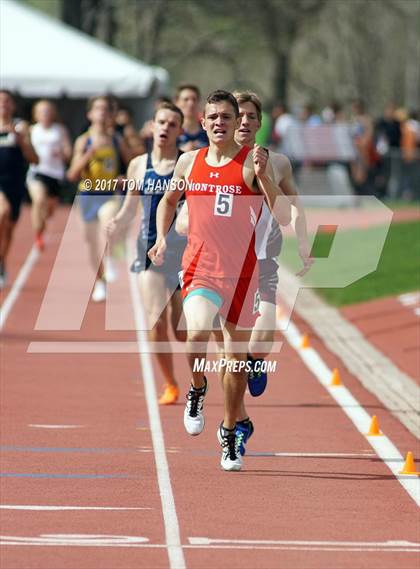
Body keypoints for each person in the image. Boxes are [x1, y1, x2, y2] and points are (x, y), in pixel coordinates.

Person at [149, 89, 291, 471]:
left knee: (235, 360)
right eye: (213, 118)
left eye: (226, 118)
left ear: (236, 122)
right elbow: (168, 201)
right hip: (200, 267)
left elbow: (285, 216)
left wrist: (264, 178)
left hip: (242, 275)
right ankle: (197, 387)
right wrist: (162, 238)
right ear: (203, 122)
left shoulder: (252, 164)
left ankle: (230, 430)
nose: (219, 124)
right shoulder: (188, 162)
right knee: (195, 331)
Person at [176, 90, 311, 455]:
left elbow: (289, 210)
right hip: (208, 267)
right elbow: (180, 205)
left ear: (255, 122)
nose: (243, 122)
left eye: (250, 117)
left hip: (258, 266)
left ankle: (235, 415)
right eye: (239, 116)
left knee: (251, 351)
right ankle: (224, 412)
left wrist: (303, 241)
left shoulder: (271, 163)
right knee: (210, 342)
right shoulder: (197, 161)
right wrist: (174, 227)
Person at [106, 102, 187, 405]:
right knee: (154, 322)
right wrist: (117, 221)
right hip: (148, 252)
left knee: (182, 333)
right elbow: (130, 207)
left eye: (172, 124)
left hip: (182, 254)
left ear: (180, 130)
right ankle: (170, 384)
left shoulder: (187, 164)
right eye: (161, 122)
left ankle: (197, 378)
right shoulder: (139, 164)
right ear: (152, 126)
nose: (165, 128)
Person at [67, 96, 130, 302]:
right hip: (87, 195)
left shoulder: (116, 139)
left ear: (111, 115)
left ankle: (111, 257)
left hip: (108, 193)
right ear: (90, 114)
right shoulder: (84, 140)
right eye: (98, 108)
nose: (102, 112)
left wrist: (124, 177)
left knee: (108, 226)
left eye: (106, 109)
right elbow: (72, 174)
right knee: (91, 244)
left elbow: (132, 164)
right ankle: (100, 282)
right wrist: (87, 155)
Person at [0, 90, 38, 288]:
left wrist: (20, 139)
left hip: (14, 182)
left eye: (6, 101)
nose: (3, 105)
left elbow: (34, 159)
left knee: (8, 227)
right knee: (2, 213)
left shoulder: (21, 127)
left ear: (12, 106)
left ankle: (2, 261)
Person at [27, 100, 72, 251]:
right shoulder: (32, 130)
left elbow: (68, 152)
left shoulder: (59, 130)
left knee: (49, 211)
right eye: (42, 111)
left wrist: (62, 153)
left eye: (48, 111)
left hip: (55, 174)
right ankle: (38, 235)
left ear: (53, 113)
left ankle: (42, 222)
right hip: (37, 172)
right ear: (36, 114)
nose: (45, 114)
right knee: (39, 201)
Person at [174, 85, 208, 151]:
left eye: (194, 99)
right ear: (177, 103)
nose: (191, 103)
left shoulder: (207, 130)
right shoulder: (171, 131)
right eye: (186, 99)